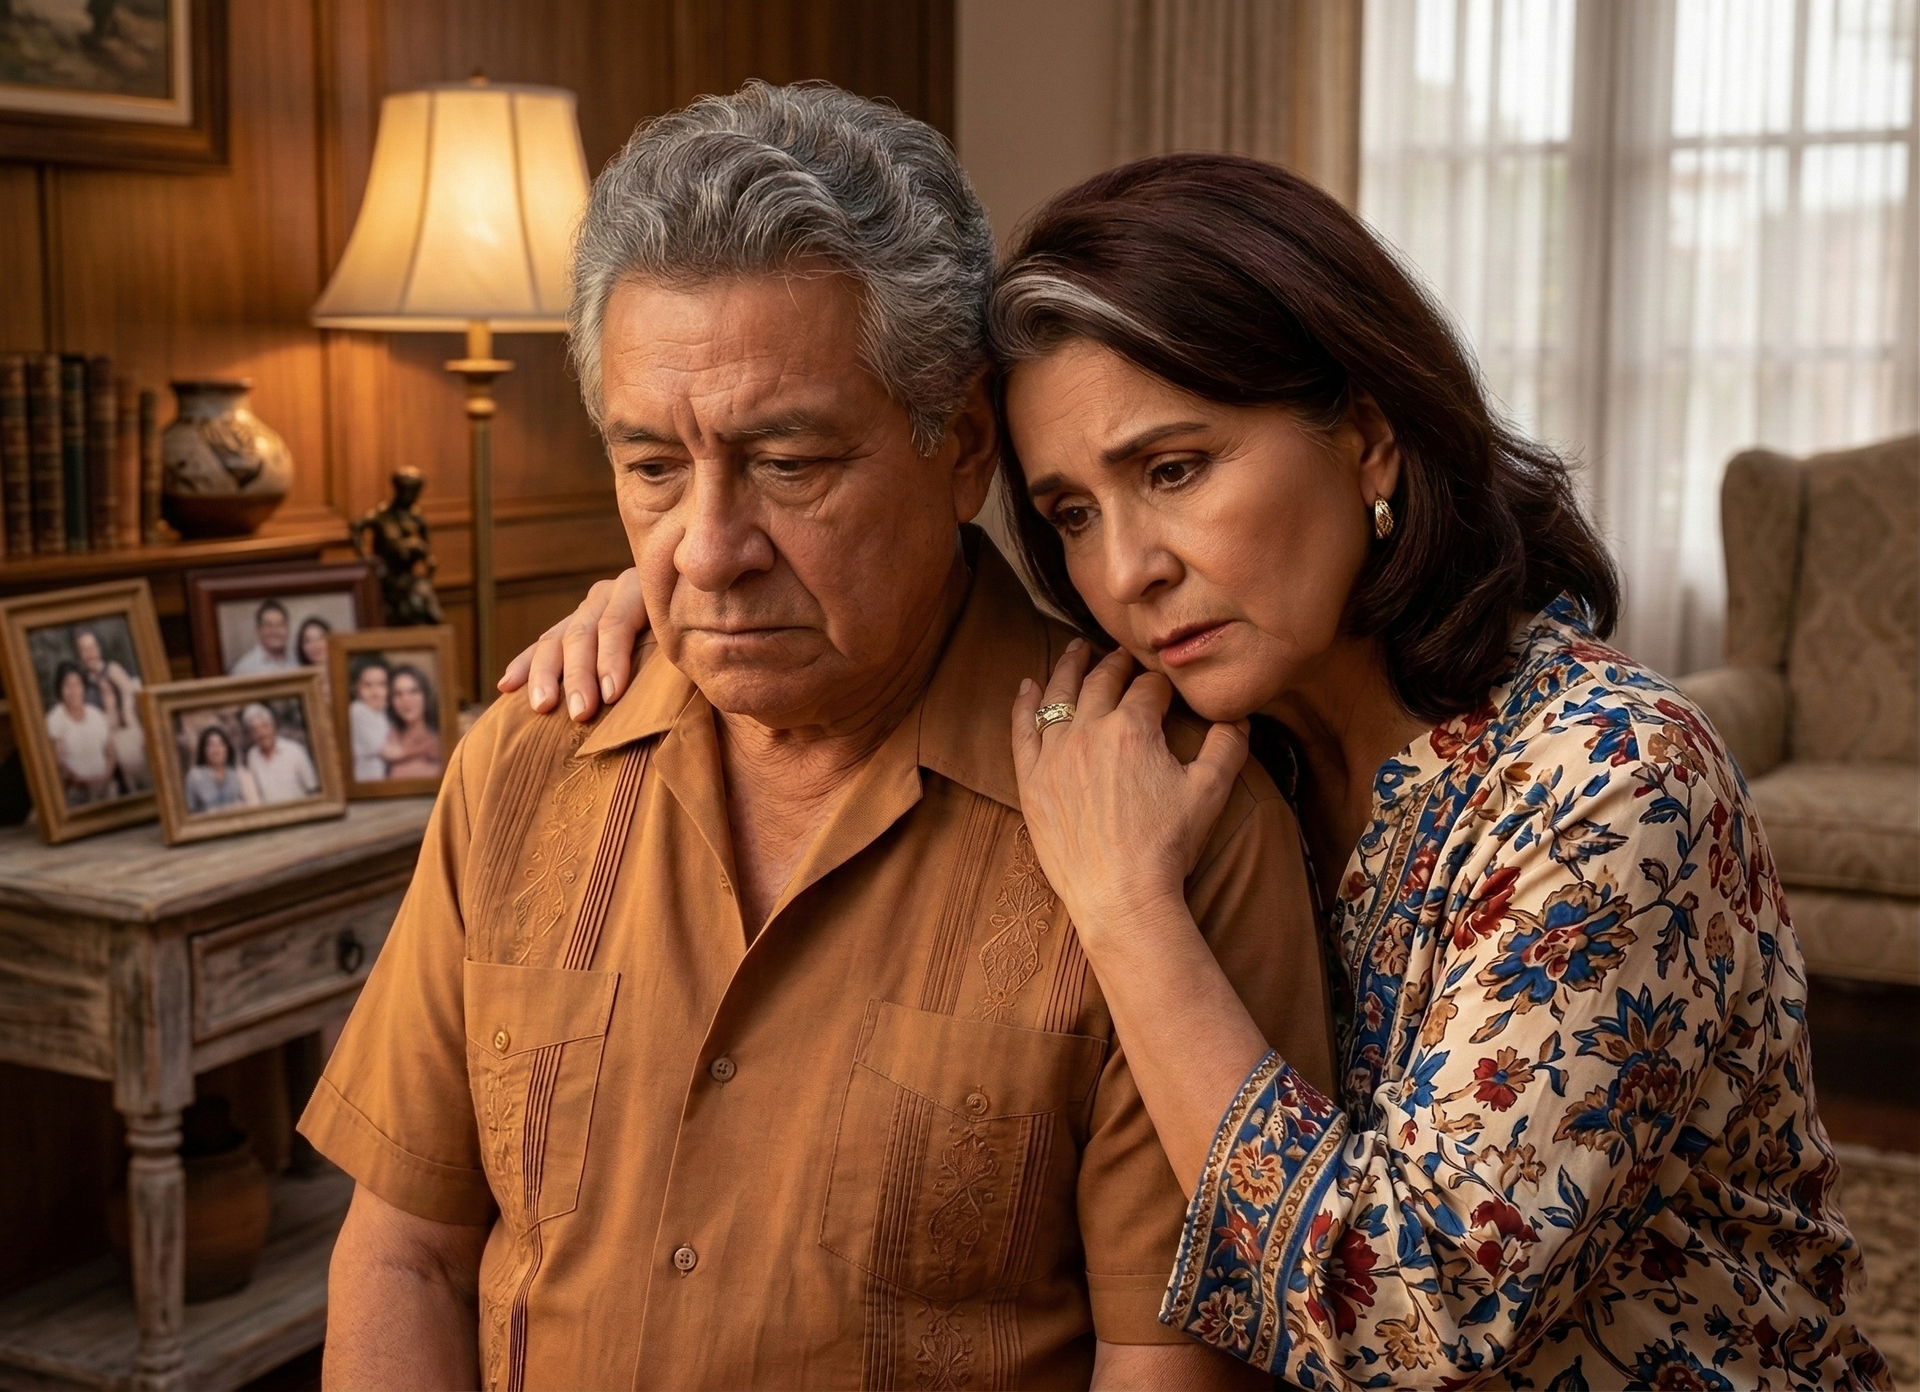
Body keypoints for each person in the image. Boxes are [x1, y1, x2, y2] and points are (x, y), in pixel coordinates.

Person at [510, 154, 1883, 1388]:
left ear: (1366, 437)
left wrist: (1128, 913)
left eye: (1175, 468)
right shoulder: (1217, 731)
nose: (1126, 570)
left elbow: (1405, 1322)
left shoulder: (1612, 781)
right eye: (1072, 514)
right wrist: (683, 606)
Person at [301, 82, 1331, 1392]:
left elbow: (1171, 1368)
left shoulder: (1171, 827)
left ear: (960, 449)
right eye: (653, 468)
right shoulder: (528, 754)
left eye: (789, 465)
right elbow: (407, 1259)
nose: (709, 555)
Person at [45, 661, 115, 806]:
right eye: (67, 685)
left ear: (84, 687)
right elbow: (57, 763)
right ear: (60, 689)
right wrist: (82, 782)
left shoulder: (96, 715)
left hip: (105, 786)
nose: (73, 691)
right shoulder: (55, 719)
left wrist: (104, 777)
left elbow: (111, 753)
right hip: (74, 793)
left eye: (77, 684)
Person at [240, 702, 318, 804]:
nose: (261, 733)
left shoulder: (295, 751)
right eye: (255, 730)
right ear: (250, 734)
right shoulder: (252, 756)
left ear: (273, 726)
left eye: (265, 726)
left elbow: (312, 789)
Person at [379, 663, 440, 779]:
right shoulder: (386, 738)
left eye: (413, 691)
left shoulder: (441, 740)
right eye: (398, 694)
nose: (406, 700)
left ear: (426, 696)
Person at [183, 725, 257, 814]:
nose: (216, 749)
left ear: (227, 748)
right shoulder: (195, 776)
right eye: (211, 745)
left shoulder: (239, 773)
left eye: (220, 744)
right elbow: (190, 810)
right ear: (203, 750)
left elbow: (253, 806)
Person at [96, 676, 150, 796]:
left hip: (140, 767)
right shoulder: (99, 720)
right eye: (101, 692)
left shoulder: (128, 715)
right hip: (119, 773)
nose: (104, 696)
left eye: (107, 691)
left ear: (115, 693)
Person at [347, 658, 392, 781]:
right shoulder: (357, 711)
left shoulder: (385, 710)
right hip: (366, 783)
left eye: (381, 685)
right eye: (367, 685)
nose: (375, 692)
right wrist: (421, 748)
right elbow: (387, 752)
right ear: (356, 688)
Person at [229, 600, 293, 675]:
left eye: (280, 625)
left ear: (287, 628)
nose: (275, 631)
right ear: (258, 630)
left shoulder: (298, 658)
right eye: (269, 625)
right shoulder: (243, 669)